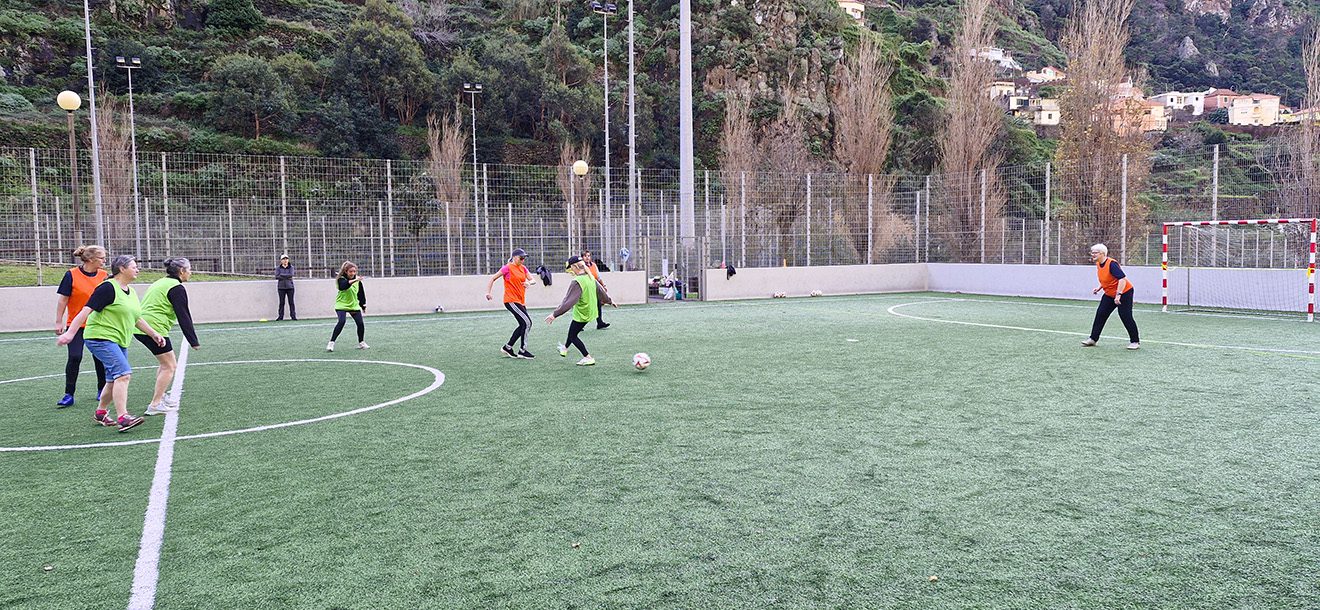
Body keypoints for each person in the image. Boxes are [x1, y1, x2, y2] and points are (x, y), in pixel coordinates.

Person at [56, 255, 166, 432]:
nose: (137, 269)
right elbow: (85, 311)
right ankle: (123, 417)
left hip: (119, 340)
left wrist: (154, 334)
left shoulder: (130, 291)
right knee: (123, 374)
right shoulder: (107, 288)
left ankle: (101, 413)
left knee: (113, 379)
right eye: (134, 266)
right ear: (122, 269)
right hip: (100, 338)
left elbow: (136, 318)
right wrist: (70, 333)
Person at [136, 257, 202, 416]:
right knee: (170, 366)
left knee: (165, 363)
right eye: (189, 269)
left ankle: (160, 396)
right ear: (181, 271)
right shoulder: (176, 287)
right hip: (153, 329)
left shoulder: (162, 282)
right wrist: (193, 341)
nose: (191, 273)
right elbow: (183, 315)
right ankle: (155, 404)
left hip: (144, 327)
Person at [53, 245, 109, 407]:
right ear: (91, 259)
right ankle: (69, 394)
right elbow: (63, 300)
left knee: (100, 358)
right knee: (75, 356)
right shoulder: (71, 275)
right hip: (76, 325)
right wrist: (59, 321)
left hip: (98, 324)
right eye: (101, 258)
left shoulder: (105, 276)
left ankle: (101, 390)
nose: (104, 261)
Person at [545, 255, 616, 366]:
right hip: (590, 311)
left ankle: (587, 357)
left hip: (582, 313)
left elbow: (568, 301)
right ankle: (564, 348)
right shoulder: (590, 277)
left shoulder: (577, 281)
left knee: (573, 336)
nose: (570, 270)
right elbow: (601, 291)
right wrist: (610, 301)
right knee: (573, 331)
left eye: (570, 268)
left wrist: (555, 314)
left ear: (574, 267)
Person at [1082, 243, 1140, 350]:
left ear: (1102, 253)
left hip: (1124, 292)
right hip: (1109, 294)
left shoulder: (1112, 264)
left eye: (1095, 253)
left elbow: (1122, 279)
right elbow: (1107, 278)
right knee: (1100, 314)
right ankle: (1093, 339)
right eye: (1092, 252)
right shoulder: (1099, 264)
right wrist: (1099, 288)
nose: (1092, 255)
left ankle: (1135, 341)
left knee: (1125, 316)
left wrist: (1118, 295)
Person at [485, 248, 538, 359]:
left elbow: (533, 280)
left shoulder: (523, 268)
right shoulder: (507, 268)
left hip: (521, 301)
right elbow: (493, 278)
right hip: (511, 300)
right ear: (514, 257)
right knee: (528, 323)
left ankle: (508, 347)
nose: (523, 260)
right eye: (521, 258)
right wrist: (488, 292)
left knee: (523, 324)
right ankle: (522, 350)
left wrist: (529, 282)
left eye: (524, 258)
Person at [328, 261, 367, 352]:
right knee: (342, 321)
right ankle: (331, 343)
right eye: (350, 271)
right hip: (341, 304)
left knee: (360, 324)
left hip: (353, 305)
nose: (353, 273)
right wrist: (355, 280)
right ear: (346, 271)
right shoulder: (340, 279)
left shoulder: (357, 281)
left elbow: (361, 293)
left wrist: (363, 305)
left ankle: (361, 342)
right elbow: (343, 286)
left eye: (354, 271)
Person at [581, 250, 610, 329]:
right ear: (582, 257)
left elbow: (598, 277)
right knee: (587, 307)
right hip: (587, 289)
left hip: (595, 288)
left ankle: (600, 323)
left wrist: (603, 285)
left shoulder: (593, 265)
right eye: (585, 256)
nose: (587, 257)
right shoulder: (581, 266)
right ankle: (579, 325)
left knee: (598, 305)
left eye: (588, 256)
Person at [275, 254, 297, 321]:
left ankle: (293, 316)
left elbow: (291, 275)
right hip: (281, 287)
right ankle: (280, 316)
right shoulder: (278, 268)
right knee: (282, 302)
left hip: (290, 287)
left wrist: (282, 275)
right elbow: (277, 276)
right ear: (281, 260)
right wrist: (286, 276)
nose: (285, 260)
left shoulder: (291, 267)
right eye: (283, 259)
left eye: (286, 259)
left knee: (291, 302)